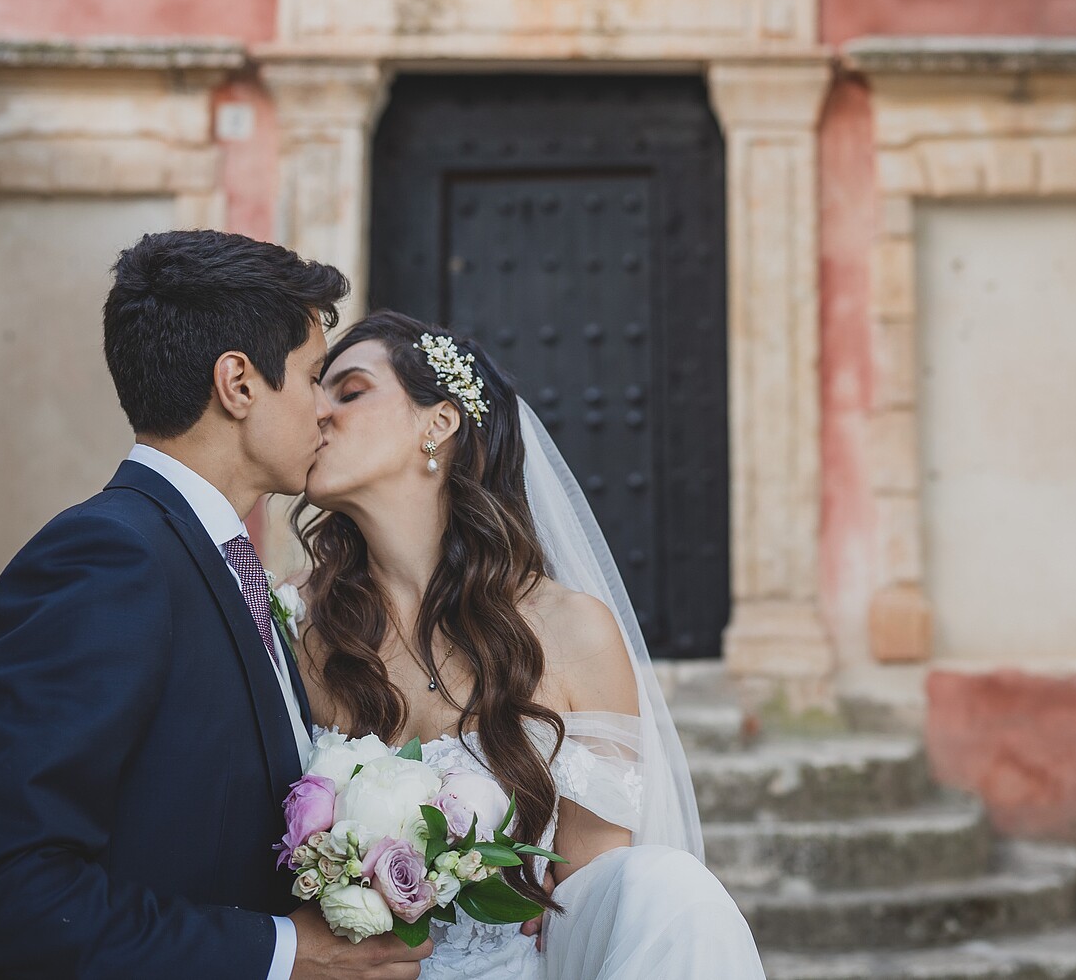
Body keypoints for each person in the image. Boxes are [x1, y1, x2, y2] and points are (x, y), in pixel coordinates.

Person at [0, 230, 432, 980]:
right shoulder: (105, 561)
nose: (326, 411)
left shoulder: (224, 566)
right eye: (312, 377)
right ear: (238, 384)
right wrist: (283, 954)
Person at [290, 310, 765, 979]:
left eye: (350, 391)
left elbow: (597, 883)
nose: (318, 413)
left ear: (439, 423)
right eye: (317, 391)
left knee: (671, 889)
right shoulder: (295, 623)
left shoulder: (572, 631)